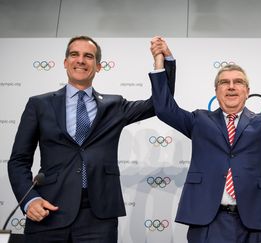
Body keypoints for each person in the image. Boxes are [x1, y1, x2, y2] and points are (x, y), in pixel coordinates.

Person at [7, 36, 176, 242]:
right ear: (65, 62)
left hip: (99, 216)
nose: (81, 60)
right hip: (48, 210)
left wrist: (163, 62)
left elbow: (159, 104)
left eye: (88, 56)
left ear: (98, 66)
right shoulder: (39, 104)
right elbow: (18, 160)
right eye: (74, 54)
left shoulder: (114, 106)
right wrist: (30, 200)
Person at [149, 42, 261, 243]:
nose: (231, 87)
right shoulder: (199, 120)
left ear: (247, 91)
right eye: (224, 82)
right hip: (207, 221)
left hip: (256, 220)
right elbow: (164, 109)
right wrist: (161, 62)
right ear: (216, 90)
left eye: (238, 82)